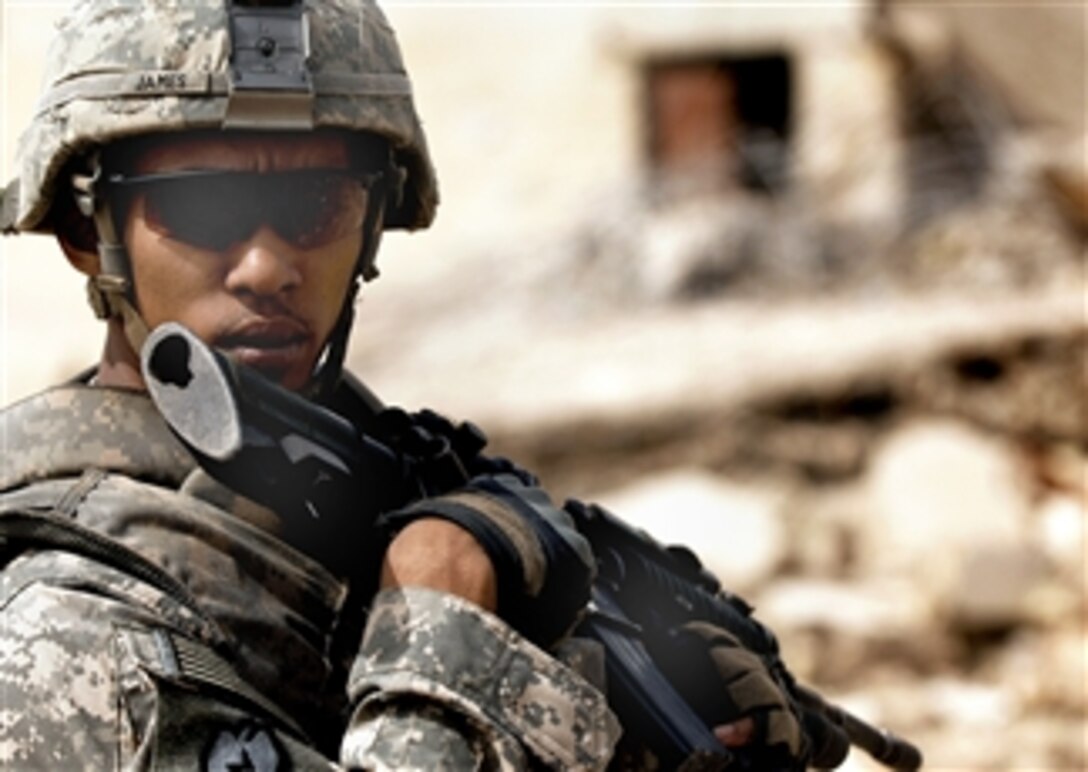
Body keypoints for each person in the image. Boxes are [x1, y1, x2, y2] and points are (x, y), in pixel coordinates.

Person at [0, 1, 809, 769]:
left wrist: (633, 703)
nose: (269, 268)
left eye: (317, 205)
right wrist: (438, 624)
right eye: (206, 209)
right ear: (85, 230)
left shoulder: (366, 485)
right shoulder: (61, 632)